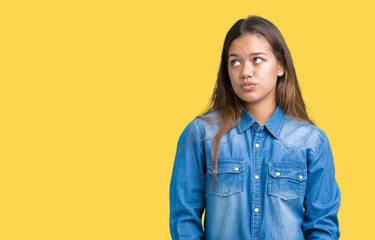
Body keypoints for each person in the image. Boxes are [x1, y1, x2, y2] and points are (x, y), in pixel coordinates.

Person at [169, 15, 340, 240]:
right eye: (235, 61)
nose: (245, 72)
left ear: (280, 66)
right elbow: (184, 221)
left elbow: (322, 226)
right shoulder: (201, 134)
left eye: (257, 60)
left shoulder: (311, 142)